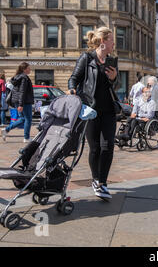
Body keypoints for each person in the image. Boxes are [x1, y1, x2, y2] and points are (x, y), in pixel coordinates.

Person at [67, 26, 119, 200]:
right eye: (111, 39)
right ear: (103, 41)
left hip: (109, 111)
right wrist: (72, 89)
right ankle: (95, 179)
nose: (114, 43)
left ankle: (102, 183)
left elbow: (114, 86)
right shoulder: (87, 58)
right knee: (95, 148)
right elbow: (74, 78)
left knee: (108, 146)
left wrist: (114, 79)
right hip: (90, 110)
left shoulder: (112, 61)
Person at [1, 62, 34, 143]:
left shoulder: (17, 77)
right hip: (24, 101)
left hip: (17, 100)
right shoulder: (24, 78)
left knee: (23, 119)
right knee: (28, 119)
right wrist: (21, 104)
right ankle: (26, 138)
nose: (30, 70)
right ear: (24, 69)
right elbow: (22, 91)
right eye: (28, 68)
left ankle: (6, 129)